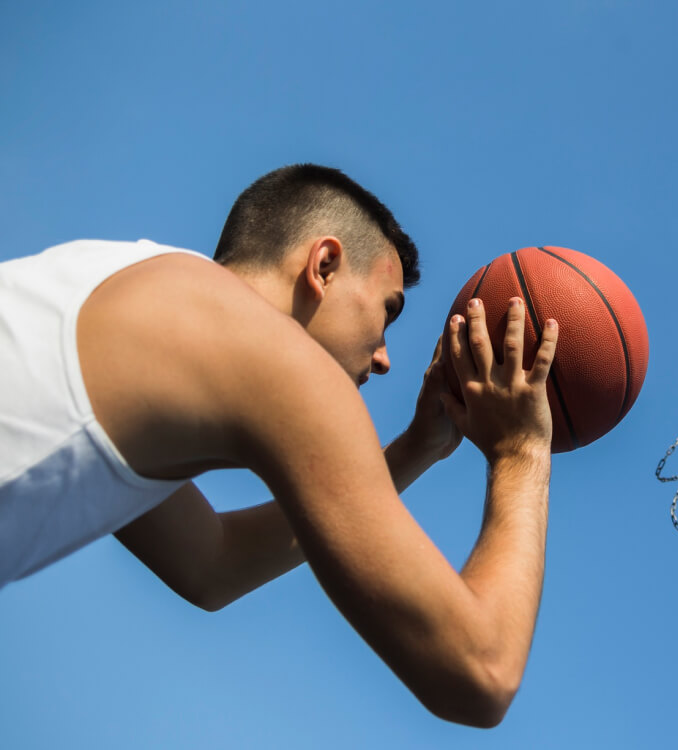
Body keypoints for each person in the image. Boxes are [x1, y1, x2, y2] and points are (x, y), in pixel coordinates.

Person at [0, 164, 559, 728]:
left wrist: (416, 448)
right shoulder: (277, 355)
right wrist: (522, 451)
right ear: (324, 265)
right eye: (386, 312)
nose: (385, 357)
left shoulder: (119, 275)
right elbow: (479, 674)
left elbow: (212, 563)